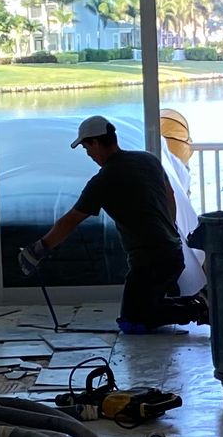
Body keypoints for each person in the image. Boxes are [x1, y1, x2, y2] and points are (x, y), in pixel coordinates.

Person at [19, 117, 208, 333]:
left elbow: (70, 221)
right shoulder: (148, 160)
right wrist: (170, 228)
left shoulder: (105, 180)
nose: (88, 154)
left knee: (133, 321)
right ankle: (195, 304)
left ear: (96, 143)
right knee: (142, 309)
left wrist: (38, 249)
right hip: (173, 255)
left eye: (86, 147)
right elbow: (170, 195)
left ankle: (198, 307)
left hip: (150, 262)